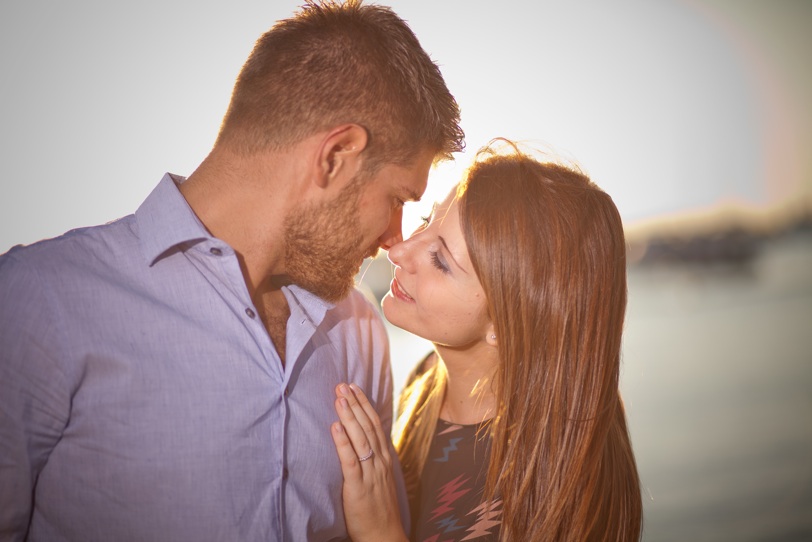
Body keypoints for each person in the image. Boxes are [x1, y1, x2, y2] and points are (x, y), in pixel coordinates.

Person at [0, 1, 464, 540]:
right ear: (335, 155)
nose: (395, 238)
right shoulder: (38, 301)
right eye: (396, 199)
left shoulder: (359, 332)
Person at [330, 141, 643, 541]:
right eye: (426, 222)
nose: (400, 250)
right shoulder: (427, 381)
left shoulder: (549, 485)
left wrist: (380, 533)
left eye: (441, 261)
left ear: (506, 323)